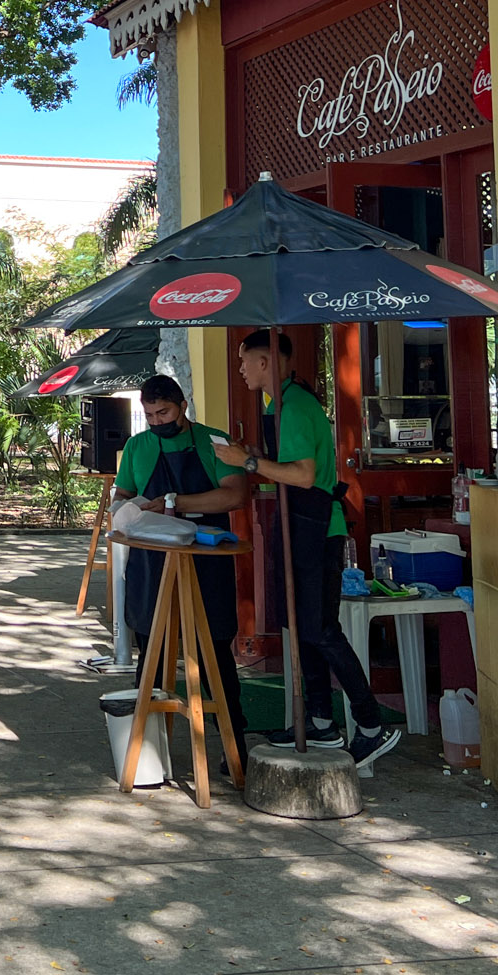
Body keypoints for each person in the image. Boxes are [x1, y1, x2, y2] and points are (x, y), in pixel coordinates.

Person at [213, 329, 401, 768]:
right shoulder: (277, 404)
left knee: (320, 627)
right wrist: (256, 455)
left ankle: (370, 725)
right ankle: (319, 720)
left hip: (317, 527)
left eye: (245, 361)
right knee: (299, 624)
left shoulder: (296, 405)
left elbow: (301, 474)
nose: (241, 369)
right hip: (295, 523)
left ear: (266, 362)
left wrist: (249, 463)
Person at [113, 374, 248, 771]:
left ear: (182, 405)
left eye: (164, 412)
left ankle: (233, 745)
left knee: (214, 654)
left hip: (206, 558)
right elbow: (122, 494)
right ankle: (147, 753)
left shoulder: (213, 441)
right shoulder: (138, 445)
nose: (157, 421)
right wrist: (128, 507)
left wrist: (174, 500)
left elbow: (235, 494)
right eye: (150, 414)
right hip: (152, 560)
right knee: (151, 654)